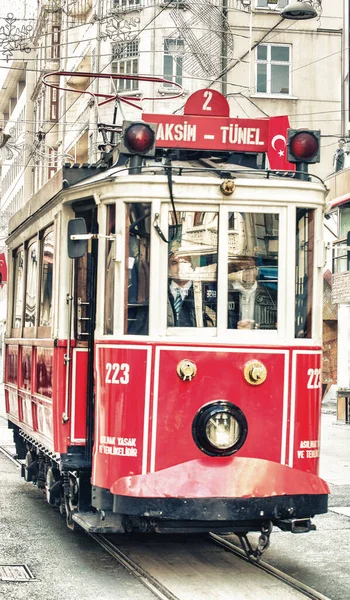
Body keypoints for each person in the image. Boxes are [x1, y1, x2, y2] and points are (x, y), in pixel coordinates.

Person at [228, 256, 277, 330]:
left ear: (256, 271)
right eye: (241, 269)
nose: (246, 273)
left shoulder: (271, 295)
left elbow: (277, 325)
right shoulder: (227, 293)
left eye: (250, 268)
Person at [167, 252, 197, 327]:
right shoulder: (159, 290)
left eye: (184, 262)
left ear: (192, 266)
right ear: (168, 267)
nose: (180, 267)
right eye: (174, 263)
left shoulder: (202, 291)